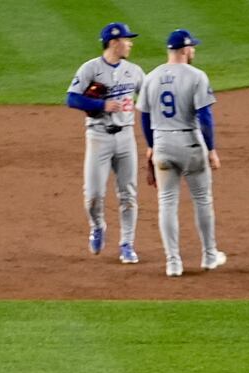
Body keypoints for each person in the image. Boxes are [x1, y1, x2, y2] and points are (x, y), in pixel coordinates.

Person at [135, 29, 226, 278]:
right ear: (185, 50)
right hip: (190, 142)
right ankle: (209, 256)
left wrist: (152, 146)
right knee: (202, 199)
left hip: (162, 143)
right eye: (192, 47)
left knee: (166, 203)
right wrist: (211, 149)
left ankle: (173, 263)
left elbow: (143, 116)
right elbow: (205, 116)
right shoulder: (197, 76)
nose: (194, 51)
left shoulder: (151, 77)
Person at [66, 23, 145, 264]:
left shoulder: (134, 71)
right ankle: (98, 226)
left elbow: (149, 99)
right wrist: (101, 105)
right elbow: (71, 98)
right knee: (93, 195)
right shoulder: (90, 68)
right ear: (113, 42)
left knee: (128, 195)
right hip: (98, 136)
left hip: (125, 137)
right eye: (126, 39)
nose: (130, 43)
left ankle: (127, 245)